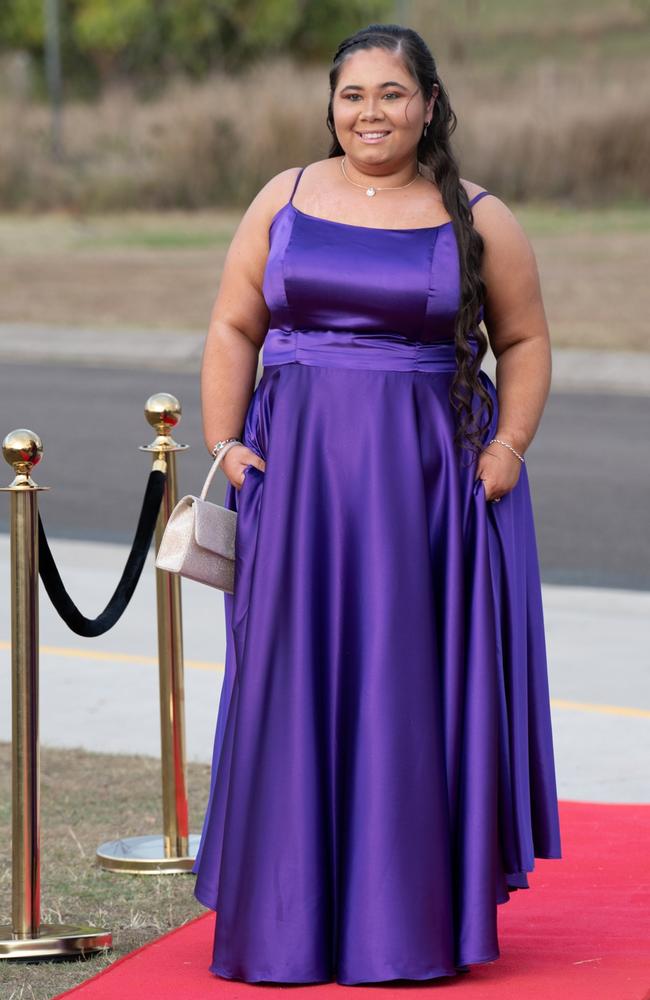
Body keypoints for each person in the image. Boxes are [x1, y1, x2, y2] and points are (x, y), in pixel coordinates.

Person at [192, 22, 562, 986]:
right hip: (299, 484)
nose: (372, 113)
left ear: (429, 105)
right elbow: (236, 322)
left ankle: (403, 928)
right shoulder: (284, 196)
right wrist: (227, 443)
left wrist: (509, 448)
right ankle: (287, 925)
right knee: (291, 684)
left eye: (392, 94)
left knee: (407, 694)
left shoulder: (479, 215)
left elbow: (522, 342)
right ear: (332, 106)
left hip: (426, 492)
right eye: (354, 95)